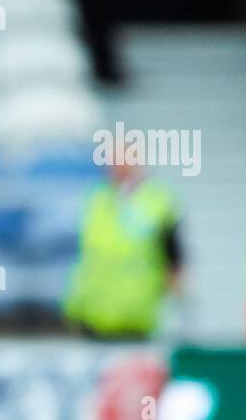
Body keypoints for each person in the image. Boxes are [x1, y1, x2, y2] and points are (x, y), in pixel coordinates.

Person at [63, 142, 181, 339]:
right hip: (93, 317)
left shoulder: (158, 201)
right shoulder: (96, 199)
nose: (118, 166)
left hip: (137, 317)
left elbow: (174, 258)